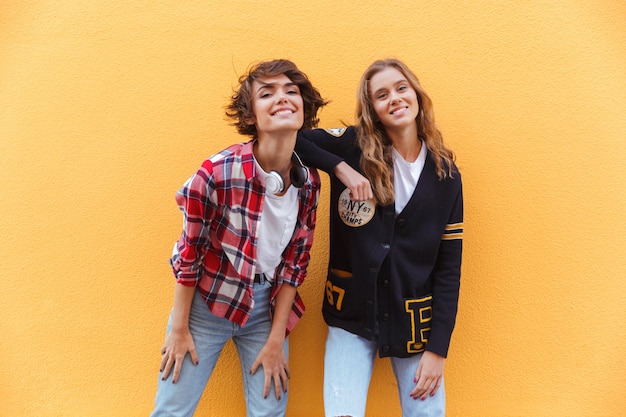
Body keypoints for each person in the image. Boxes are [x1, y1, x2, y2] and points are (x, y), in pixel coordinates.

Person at [150, 59, 328, 417]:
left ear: (304, 107)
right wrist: (180, 328)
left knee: (270, 411)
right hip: (205, 306)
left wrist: (276, 339)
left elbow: (295, 264)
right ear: (251, 115)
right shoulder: (217, 172)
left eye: (291, 91)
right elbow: (190, 254)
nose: (282, 98)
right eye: (267, 93)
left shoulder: (309, 183)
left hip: (266, 310)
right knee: (172, 411)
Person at [295, 58, 464, 417]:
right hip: (351, 316)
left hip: (414, 321)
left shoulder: (446, 174)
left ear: (416, 94)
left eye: (401, 88)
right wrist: (338, 167)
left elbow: (449, 268)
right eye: (382, 94)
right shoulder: (352, 147)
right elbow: (289, 138)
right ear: (372, 109)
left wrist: (438, 350)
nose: (395, 99)